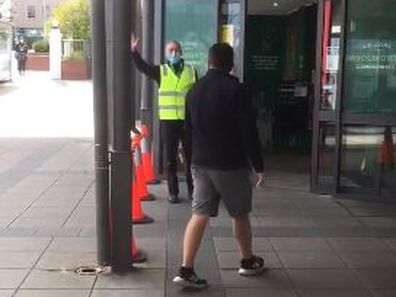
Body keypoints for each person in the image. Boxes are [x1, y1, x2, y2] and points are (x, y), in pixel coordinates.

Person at [172, 43, 265, 289]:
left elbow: (188, 132)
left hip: (201, 164)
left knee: (199, 214)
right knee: (239, 214)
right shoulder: (238, 90)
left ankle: (186, 268)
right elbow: (248, 131)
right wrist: (258, 165)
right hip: (231, 165)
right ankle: (247, 261)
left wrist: (192, 162)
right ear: (231, 63)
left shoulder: (194, 90)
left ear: (209, 62)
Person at [130, 35, 197, 204]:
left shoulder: (191, 71)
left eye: (176, 50)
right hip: (168, 121)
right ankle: (173, 192)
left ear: (181, 52)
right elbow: (143, 67)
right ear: (166, 53)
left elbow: (198, 93)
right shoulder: (161, 71)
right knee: (170, 159)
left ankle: (193, 191)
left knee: (191, 158)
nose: (173, 53)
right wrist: (133, 51)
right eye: (170, 50)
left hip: (187, 121)